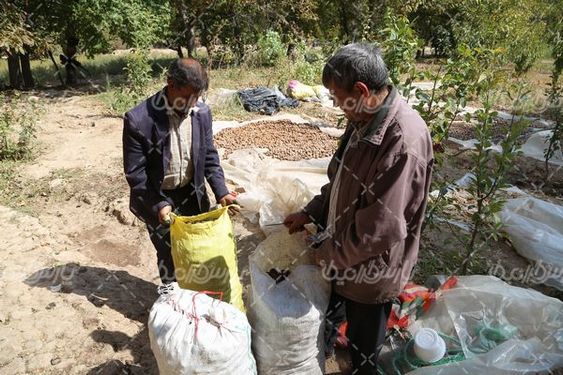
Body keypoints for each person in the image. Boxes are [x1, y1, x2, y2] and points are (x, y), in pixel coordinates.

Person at [284, 43, 434, 374]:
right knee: (329, 323)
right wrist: (312, 212)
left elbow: (377, 231)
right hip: (342, 260)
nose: (337, 105)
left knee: (363, 352)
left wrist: (324, 254)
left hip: (370, 275)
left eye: (337, 97)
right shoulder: (364, 118)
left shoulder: (402, 142)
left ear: (362, 90)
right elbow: (341, 183)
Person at [123, 58, 236, 284]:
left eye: (196, 98)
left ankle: (197, 298)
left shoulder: (201, 113)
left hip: (192, 194)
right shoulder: (138, 120)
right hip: (159, 197)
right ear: (170, 84)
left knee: (198, 250)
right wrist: (159, 205)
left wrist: (221, 191)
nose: (191, 104)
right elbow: (136, 174)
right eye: (186, 97)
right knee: (169, 256)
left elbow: (209, 156)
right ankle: (172, 301)